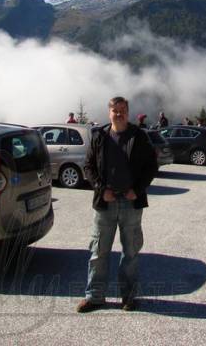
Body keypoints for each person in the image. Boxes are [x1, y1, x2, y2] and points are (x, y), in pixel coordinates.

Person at [76, 96, 158, 313]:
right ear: (109, 112)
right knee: (98, 251)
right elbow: (88, 167)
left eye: (123, 110)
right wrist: (102, 190)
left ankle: (128, 298)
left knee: (130, 252)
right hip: (105, 203)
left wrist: (137, 190)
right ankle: (94, 297)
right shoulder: (99, 136)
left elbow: (151, 166)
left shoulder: (139, 136)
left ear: (128, 112)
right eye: (115, 110)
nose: (119, 114)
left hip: (131, 203)